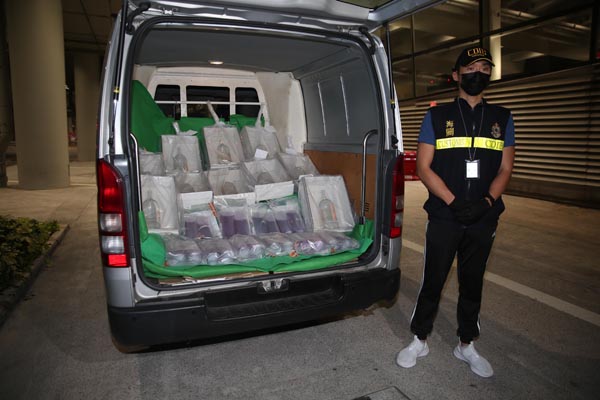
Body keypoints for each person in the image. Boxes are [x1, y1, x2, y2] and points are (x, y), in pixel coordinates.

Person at [396, 46, 515, 378]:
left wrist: (487, 201)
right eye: (472, 67)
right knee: (433, 279)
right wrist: (452, 201)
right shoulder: (436, 117)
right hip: (445, 215)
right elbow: (423, 166)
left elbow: (505, 168)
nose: (479, 73)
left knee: (472, 282)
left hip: (483, 217)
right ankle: (420, 339)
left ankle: (466, 344)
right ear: (456, 75)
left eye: (485, 68)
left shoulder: (502, 117)